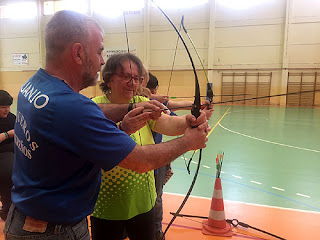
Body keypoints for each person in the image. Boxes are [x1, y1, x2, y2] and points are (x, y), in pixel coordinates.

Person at [4, 10, 209, 240]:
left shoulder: (34, 86)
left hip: (26, 217)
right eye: (99, 51)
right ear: (78, 52)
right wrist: (189, 141)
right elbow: (140, 161)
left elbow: (84, 113)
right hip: (55, 231)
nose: (102, 60)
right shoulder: (75, 109)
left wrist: (130, 109)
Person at [90, 53, 209, 240]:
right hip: (107, 205)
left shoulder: (140, 102)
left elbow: (167, 123)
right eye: (125, 76)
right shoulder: (93, 107)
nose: (132, 83)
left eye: (136, 78)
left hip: (144, 202)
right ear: (109, 78)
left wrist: (188, 121)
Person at [146, 73, 214, 239]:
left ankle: (156, 230)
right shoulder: (145, 104)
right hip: (147, 157)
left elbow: (173, 109)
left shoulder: (156, 104)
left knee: (156, 196)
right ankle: (152, 229)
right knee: (153, 198)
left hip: (158, 157)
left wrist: (197, 106)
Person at [0, 90, 15, 221]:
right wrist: (7, 134)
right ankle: (7, 209)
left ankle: (8, 210)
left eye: (8, 107)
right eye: (3, 107)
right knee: (8, 171)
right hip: (3, 153)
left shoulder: (12, 117)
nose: (7, 110)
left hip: (12, 152)